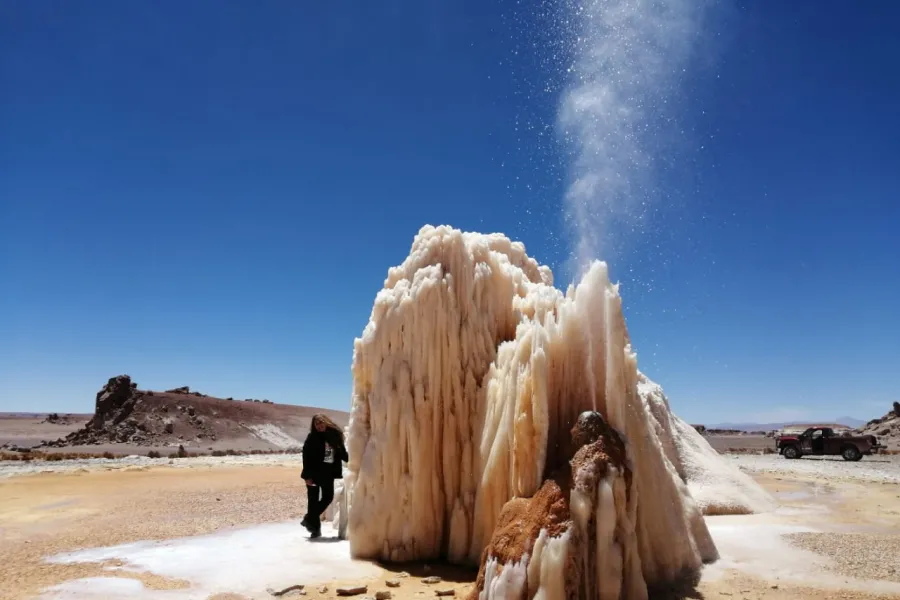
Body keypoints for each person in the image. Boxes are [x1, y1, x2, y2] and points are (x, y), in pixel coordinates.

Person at [300, 413, 348, 538]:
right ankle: (315, 530)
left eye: (321, 422)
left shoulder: (335, 435)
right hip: (313, 473)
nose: (319, 426)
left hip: (328, 473)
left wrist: (353, 460)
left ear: (326, 422)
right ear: (314, 426)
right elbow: (306, 457)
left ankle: (309, 518)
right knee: (313, 501)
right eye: (316, 424)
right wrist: (307, 476)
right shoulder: (312, 438)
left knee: (328, 497)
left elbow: (342, 452)